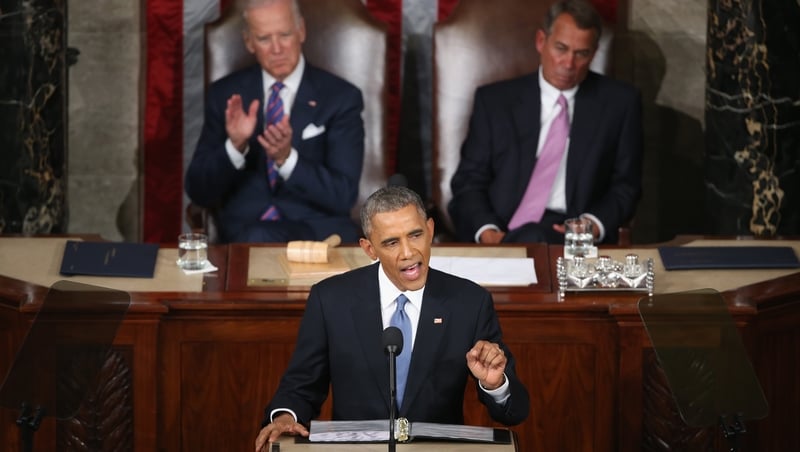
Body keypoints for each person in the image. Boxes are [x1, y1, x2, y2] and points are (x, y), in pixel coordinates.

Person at [254, 186, 530, 451]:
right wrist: (285, 417)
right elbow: (301, 386)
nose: (408, 252)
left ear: (431, 229)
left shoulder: (469, 302)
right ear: (369, 249)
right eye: (391, 242)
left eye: (415, 235)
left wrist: (495, 384)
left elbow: (513, 412)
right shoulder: (331, 300)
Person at [448, 0, 643, 245]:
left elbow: (626, 187)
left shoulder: (620, 104)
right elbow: (469, 182)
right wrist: (488, 233)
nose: (569, 64)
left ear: (593, 54)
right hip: (502, 231)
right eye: (561, 48)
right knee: (529, 238)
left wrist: (590, 226)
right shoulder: (495, 102)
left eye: (581, 53)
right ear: (541, 41)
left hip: (573, 237)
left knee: (538, 237)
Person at [185, 0, 365, 243]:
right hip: (245, 235)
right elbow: (199, 191)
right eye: (264, 39)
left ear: (301, 31)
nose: (277, 49)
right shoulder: (226, 96)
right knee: (256, 238)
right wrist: (234, 147)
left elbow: (343, 195)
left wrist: (286, 159)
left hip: (317, 234)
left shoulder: (341, 98)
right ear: (249, 42)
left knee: (261, 238)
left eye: (285, 34)